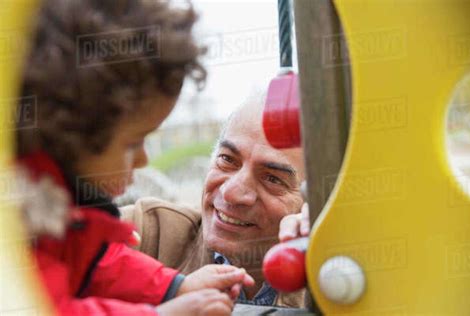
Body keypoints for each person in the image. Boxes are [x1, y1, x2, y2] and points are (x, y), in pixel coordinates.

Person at [16, 0, 254, 315]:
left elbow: (99, 264)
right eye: (133, 143)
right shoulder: (20, 219)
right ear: (72, 132)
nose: (143, 160)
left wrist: (174, 287)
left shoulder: (67, 212)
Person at [121, 90, 310, 307]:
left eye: (272, 179)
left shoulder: (336, 275)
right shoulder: (145, 234)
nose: (231, 192)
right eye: (227, 160)